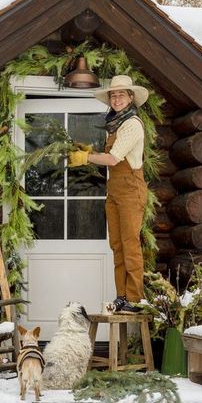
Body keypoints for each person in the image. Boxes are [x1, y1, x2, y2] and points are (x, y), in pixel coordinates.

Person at [68, 75, 148, 314]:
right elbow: (111, 155)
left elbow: (113, 158)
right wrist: (91, 151)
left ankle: (135, 298)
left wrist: (86, 158)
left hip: (130, 189)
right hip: (114, 190)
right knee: (117, 245)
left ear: (131, 97)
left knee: (130, 243)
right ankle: (121, 296)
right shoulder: (115, 124)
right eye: (113, 95)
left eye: (121, 94)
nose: (116, 98)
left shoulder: (132, 123)